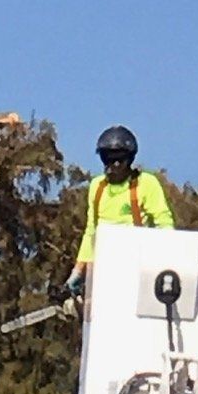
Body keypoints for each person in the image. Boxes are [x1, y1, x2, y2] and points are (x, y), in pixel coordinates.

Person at [67, 125, 174, 295]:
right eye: (110, 159)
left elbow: (164, 223)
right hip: (104, 267)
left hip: (138, 265)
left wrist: (166, 263)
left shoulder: (146, 183)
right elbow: (91, 232)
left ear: (130, 159)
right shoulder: (97, 186)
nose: (115, 165)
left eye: (120, 160)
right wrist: (78, 270)